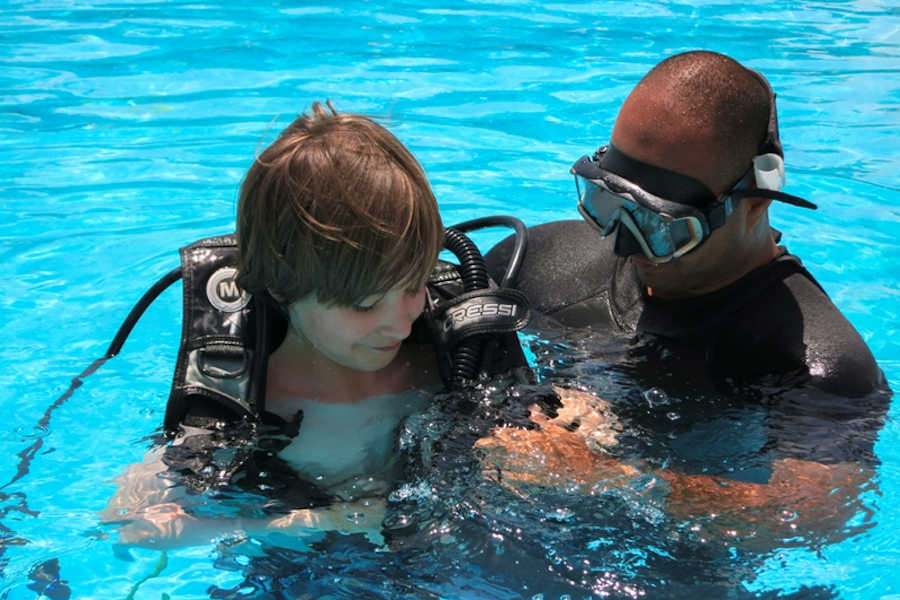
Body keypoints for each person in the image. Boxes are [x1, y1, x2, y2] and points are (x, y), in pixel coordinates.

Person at [481, 51, 891, 538]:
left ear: (754, 204)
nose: (620, 241)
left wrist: (602, 475)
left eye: (660, 225)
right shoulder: (536, 262)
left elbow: (816, 512)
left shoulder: (818, 367)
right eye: (608, 201)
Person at [101, 101, 531, 548]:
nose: (400, 325)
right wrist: (313, 522)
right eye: (365, 306)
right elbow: (134, 526)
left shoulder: (448, 351)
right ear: (282, 288)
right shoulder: (237, 399)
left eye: (412, 286)